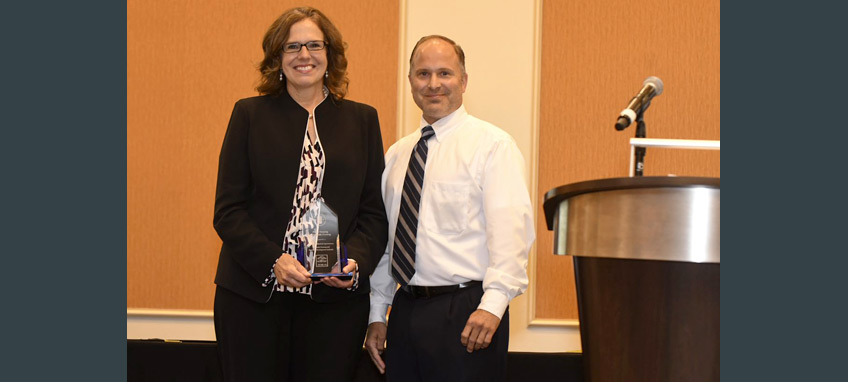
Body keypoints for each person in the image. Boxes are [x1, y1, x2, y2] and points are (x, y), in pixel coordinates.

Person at [212, 6, 388, 382]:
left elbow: (374, 213)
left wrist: (353, 262)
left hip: (334, 306)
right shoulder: (249, 115)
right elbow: (228, 210)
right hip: (253, 298)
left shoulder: (363, 120)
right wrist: (274, 260)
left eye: (313, 45)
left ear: (330, 54)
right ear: (277, 58)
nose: (304, 56)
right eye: (292, 47)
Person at [365, 35, 535, 381]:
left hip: (468, 312)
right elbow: (388, 242)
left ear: (464, 81)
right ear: (411, 81)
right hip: (406, 310)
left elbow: (511, 232)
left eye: (445, 73)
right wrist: (377, 313)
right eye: (422, 74)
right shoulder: (397, 155)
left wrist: (493, 306)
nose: (433, 84)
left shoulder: (492, 146)